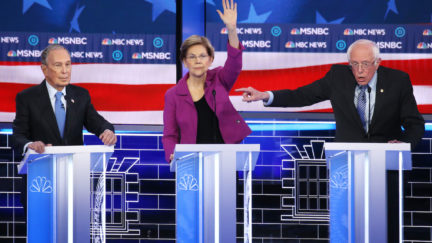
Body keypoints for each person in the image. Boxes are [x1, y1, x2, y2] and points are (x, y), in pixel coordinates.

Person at [237, 39, 425, 242]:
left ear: (377, 62)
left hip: (386, 170)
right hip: (345, 168)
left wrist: (403, 146)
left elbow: (415, 124)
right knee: (344, 227)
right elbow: (302, 95)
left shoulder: (398, 80)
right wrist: (266, 96)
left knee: (387, 229)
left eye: (365, 64)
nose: (359, 70)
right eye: (354, 64)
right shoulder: (338, 77)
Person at [12, 44, 117, 217]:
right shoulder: (27, 98)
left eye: (68, 64)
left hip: (74, 180)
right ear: (44, 69)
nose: (65, 71)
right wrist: (30, 145)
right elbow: (18, 136)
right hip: (39, 181)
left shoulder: (80, 95)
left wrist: (107, 131)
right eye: (58, 65)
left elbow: (97, 122)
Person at [162, 0, 251, 162]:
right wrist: (172, 155)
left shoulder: (219, 80)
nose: (198, 61)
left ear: (210, 60)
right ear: (184, 61)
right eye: (192, 56)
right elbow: (170, 134)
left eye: (203, 56)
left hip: (225, 159)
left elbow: (235, 63)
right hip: (190, 162)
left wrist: (232, 29)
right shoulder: (173, 95)